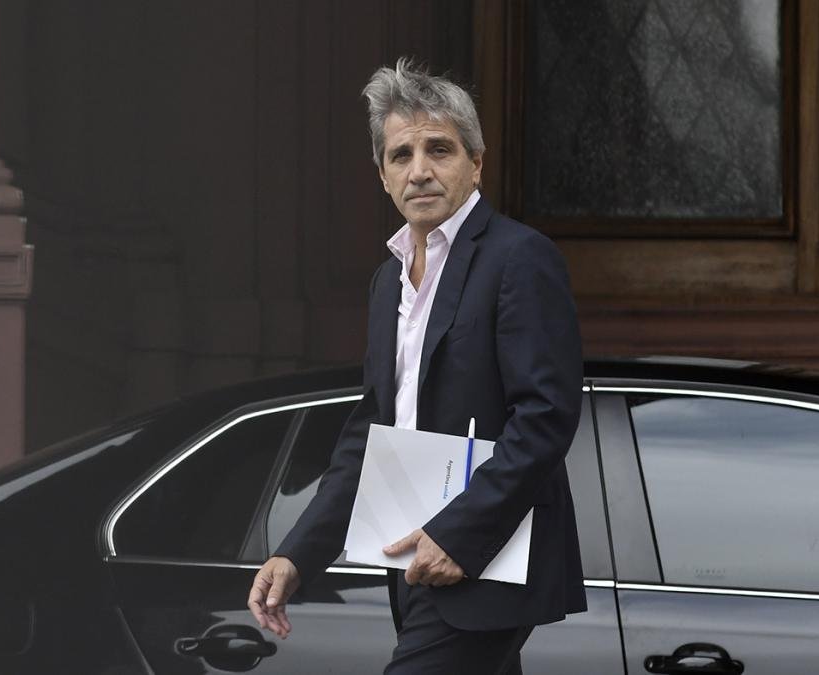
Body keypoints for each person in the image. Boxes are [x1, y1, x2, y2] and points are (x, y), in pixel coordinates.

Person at [247, 58, 585, 674]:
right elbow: (371, 431)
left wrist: (460, 536)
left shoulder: (519, 258)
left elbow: (545, 417)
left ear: (476, 163)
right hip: (411, 557)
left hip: (484, 559)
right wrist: (299, 552)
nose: (420, 170)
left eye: (440, 150)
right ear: (383, 176)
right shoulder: (388, 281)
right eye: (401, 155)